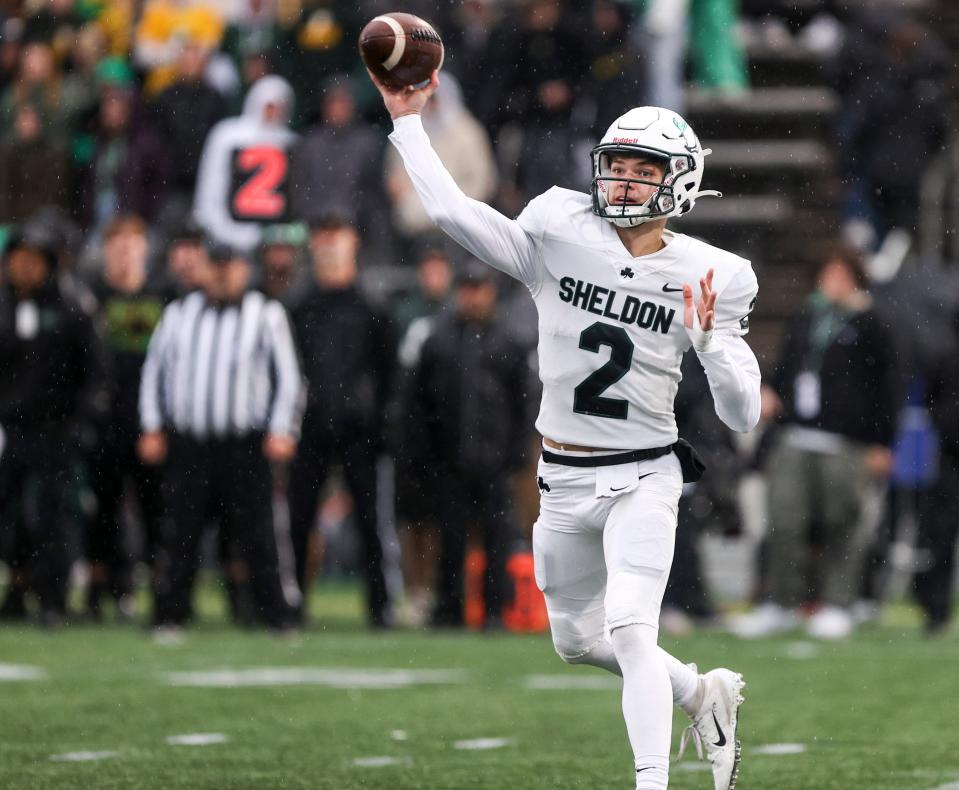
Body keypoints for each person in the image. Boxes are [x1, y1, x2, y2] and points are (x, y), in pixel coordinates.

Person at [370, 69, 759, 790]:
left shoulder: (713, 274)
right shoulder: (557, 225)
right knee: (575, 640)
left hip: (644, 471)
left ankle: (651, 782)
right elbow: (454, 213)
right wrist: (407, 123)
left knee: (631, 628)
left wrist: (714, 345)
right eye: (617, 166)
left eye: (646, 170)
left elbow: (740, 417)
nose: (625, 181)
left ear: (680, 182)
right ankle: (699, 694)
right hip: (562, 472)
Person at [731, 246, 899, 640]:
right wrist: (770, 389)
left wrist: (882, 443)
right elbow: (786, 364)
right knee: (785, 521)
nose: (833, 283)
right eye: (828, 274)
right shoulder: (808, 317)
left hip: (846, 442)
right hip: (796, 436)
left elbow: (888, 388)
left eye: (841, 274)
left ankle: (838, 603)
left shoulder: (872, 324)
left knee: (842, 525)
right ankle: (780, 602)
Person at [139, 242, 302, 633]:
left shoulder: (266, 314)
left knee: (260, 534)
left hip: (245, 444)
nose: (223, 273)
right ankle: (170, 613)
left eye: (230, 266)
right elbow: (154, 373)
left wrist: (282, 428)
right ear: (204, 269)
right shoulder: (178, 314)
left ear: (244, 269)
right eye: (216, 265)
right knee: (180, 532)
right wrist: (151, 426)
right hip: (190, 443)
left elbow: (289, 379)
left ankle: (275, 614)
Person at [406, 260, 533, 628]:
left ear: (490, 292)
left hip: (494, 462)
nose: (472, 297)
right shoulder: (439, 340)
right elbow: (420, 404)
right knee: (451, 540)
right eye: (467, 288)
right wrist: (425, 454)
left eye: (478, 289)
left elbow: (523, 403)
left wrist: (515, 454)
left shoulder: (508, 341)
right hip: (451, 459)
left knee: (497, 539)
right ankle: (450, 608)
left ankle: (494, 611)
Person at [287, 216, 397, 628]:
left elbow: (389, 373)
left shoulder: (371, 306)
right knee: (299, 519)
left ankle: (380, 606)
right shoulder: (298, 306)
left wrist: (381, 423)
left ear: (354, 242)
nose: (329, 244)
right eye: (322, 235)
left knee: (372, 521)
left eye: (337, 235)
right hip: (308, 427)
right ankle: (291, 602)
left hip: (360, 431)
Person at [0, 222, 107, 626]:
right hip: (10, 430)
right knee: (10, 515)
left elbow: (96, 371)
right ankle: (16, 587)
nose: (24, 268)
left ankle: (52, 597)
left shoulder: (73, 307)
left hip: (56, 430)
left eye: (33, 260)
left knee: (53, 516)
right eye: (18, 259)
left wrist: (82, 420)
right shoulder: (5, 305)